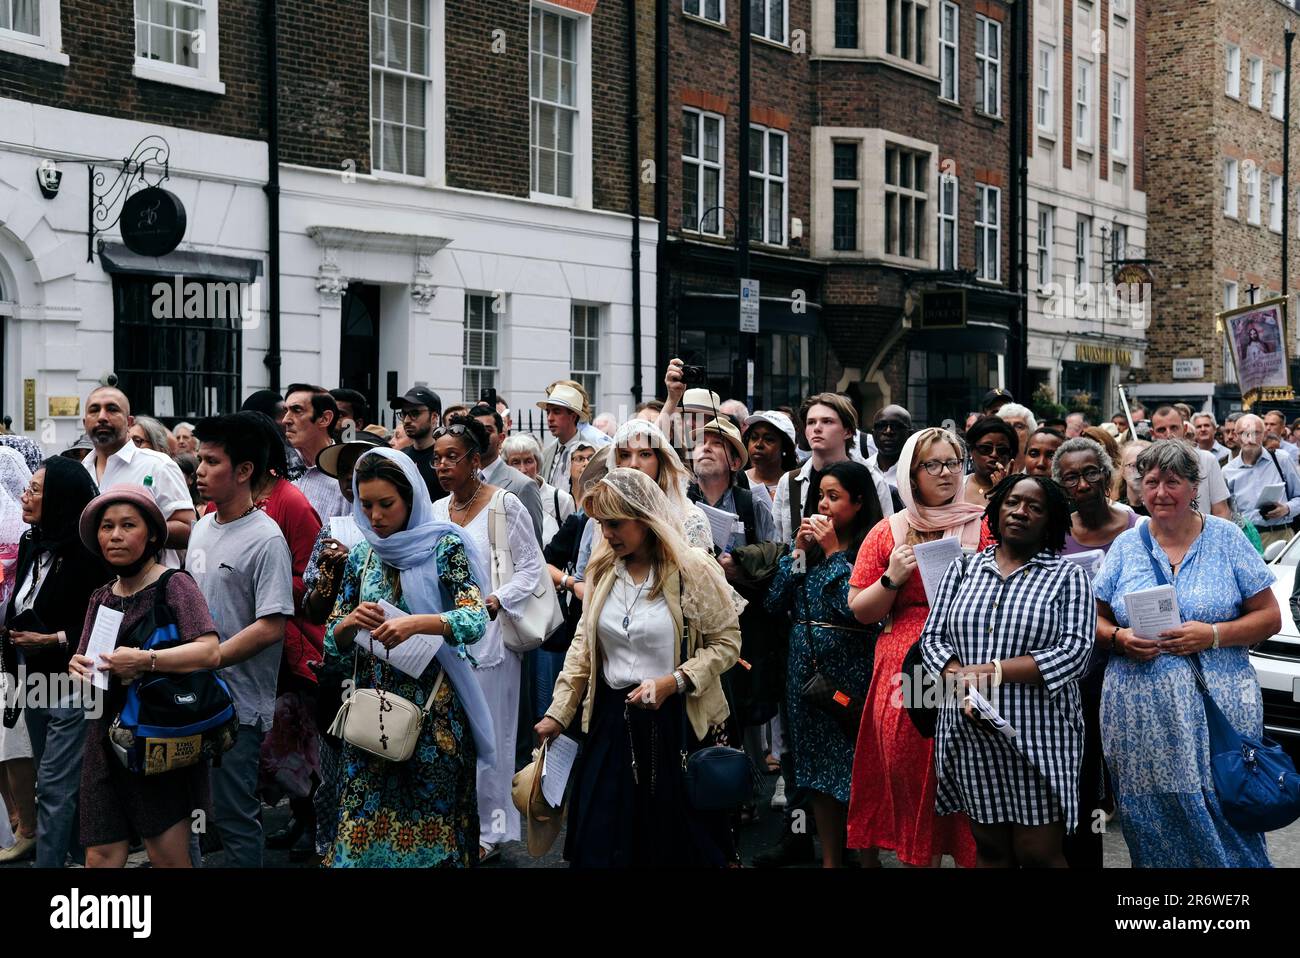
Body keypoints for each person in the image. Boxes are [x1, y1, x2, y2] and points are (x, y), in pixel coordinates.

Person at [535, 468, 744, 867]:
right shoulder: (601, 569)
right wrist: (558, 714)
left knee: (672, 844)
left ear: (644, 520)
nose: (607, 535)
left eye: (615, 524)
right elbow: (583, 649)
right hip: (611, 724)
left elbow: (727, 643)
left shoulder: (691, 570)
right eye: (601, 525)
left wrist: (675, 681)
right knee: (604, 841)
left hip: (675, 723)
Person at [1094, 440, 1281, 867]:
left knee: (1225, 809)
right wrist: (1120, 639)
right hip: (1140, 715)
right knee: (1151, 818)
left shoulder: (1226, 537)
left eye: (1172, 482)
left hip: (1218, 709)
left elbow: (1270, 618)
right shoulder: (1127, 545)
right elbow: (1096, 619)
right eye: (1151, 482)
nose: (1160, 492)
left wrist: (1212, 634)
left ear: (1194, 487)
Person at [323, 449, 492, 867]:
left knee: (433, 833)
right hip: (372, 716)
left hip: (434, 717)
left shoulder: (442, 545)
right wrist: (349, 624)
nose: (376, 516)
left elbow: (475, 616)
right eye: (366, 505)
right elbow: (331, 640)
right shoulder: (361, 555)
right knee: (362, 830)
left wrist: (418, 624)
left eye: (387, 504)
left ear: (411, 500)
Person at [921, 474, 1094, 867]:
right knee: (990, 849)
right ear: (996, 510)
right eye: (1013, 502)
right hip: (969, 729)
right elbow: (931, 639)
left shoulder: (1069, 577)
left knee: (1039, 852)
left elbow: (1075, 652)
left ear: (1050, 521)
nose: (1020, 512)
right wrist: (962, 686)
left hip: (1038, 732)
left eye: (1035, 507)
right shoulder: (962, 570)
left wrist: (990, 671)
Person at [845, 427, 983, 868]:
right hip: (909, 667)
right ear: (911, 472)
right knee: (910, 767)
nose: (946, 473)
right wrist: (891, 578)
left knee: (965, 772)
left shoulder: (986, 524)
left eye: (953, 463)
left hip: (969, 658)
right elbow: (861, 610)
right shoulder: (889, 532)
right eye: (933, 465)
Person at [68, 488, 221, 868]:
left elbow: (209, 651)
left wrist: (145, 661)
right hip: (105, 739)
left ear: (152, 534)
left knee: (167, 857)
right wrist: (79, 669)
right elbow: (91, 672)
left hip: (161, 738)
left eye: (127, 525)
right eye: (107, 527)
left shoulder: (175, 585)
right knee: (100, 856)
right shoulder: (101, 597)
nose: (114, 535)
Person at [432, 416, 546, 862]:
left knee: (491, 737)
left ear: (475, 461)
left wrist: (498, 599)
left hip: (491, 642)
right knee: (449, 735)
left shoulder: (504, 504)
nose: (441, 466)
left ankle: (491, 831)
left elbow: (532, 568)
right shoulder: (437, 510)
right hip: (445, 638)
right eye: (437, 458)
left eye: (451, 457)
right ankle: (453, 821)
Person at [212, 411, 324, 860]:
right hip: (236, 645)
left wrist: (264, 582)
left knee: (296, 749)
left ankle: (314, 824)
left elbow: (314, 579)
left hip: (286, 645)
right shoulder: (218, 507)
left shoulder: (291, 503)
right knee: (262, 758)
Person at [190, 414, 295, 867]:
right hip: (190, 696)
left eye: (212, 461)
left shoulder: (267, 538)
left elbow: (272, 625)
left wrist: (211, 657)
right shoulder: (202, 525)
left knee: (233, 814)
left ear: (245, 470)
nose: (199, 470)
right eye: (199, 459)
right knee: (190, 812)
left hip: (237, 707)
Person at [765, 462, 882, 867]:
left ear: (859, 501)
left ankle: (867, 860)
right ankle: (830, 860)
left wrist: (833, 553)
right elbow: (775, 601)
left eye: (834, 497)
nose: (824, 506)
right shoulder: (808, 554)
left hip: (852, 673)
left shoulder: (869, 548)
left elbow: (854, 611)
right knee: (815, 774)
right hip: (805, 673)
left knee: (857, 774)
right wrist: (799, 551)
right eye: (821, 496)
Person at [2, 456, 106, 867]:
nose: (24, 497)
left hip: (74, 683)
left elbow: (102, 618)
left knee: (55, 787)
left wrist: (55, 638)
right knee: (59, 781)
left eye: (35, 490)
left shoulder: (91, 550)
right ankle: (80, 858)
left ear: (61, 497)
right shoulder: (33, 541)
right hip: (31, 679)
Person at [1052, 437, 1138, 868]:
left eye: (1090, 473)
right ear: (1060, 485)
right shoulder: (1053, 533)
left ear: (1107, 476)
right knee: (1082, 782)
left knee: (1133, 776)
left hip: (1130, 664)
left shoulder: (1136, 528)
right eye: (1070, 477)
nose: (1082, 483)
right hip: (1075, 675)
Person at [81, 386, 195, 566]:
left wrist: (141, 530)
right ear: (84, 422)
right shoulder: (80, 471)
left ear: (129, 422)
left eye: (112, 409)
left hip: (148, 588)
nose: (102, 417)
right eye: (94, 410)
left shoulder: (158, 465)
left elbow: (188, 529)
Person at [773, 393, 893, 545]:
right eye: (810, 422)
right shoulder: (790, 482)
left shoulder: (872, 479)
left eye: (827, 421)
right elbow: (781, 545)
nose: (816, 428)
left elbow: (883, 545)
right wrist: (799, 554)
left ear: (848, 431)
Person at [0, 449, 36, 864]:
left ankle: (26, 822)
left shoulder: (23, 534)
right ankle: (14, 816)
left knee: (14, 737)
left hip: (16, 651)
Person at [608, 419, 714, 552]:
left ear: (660, 460)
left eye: (645, 454)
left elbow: (698, 571)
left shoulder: (689, 518)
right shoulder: (607, 516)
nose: (633, 464)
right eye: (625, 455)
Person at [690, 417, 776, 549]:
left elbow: (772, 556)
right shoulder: (677, 501)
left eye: (717, 443)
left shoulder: (753, 505)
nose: (706, 448)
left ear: (734, 463)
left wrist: (741, 562)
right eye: (701, 443)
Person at [469, 402, 544, 543]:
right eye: (474, 431)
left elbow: (533, 549)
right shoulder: (463, 480)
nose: (480, 436)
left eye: (487, 430)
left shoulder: (523, 485)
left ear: (501, 438)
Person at [1223, 413, 1300, 548]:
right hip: (1246, 539)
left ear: (1264, 435)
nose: (1250, 438)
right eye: (1243, 433)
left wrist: (1287, 509)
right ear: (1236, 436)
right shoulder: (1227, 471)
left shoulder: (1282, 460)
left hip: (1282, 535)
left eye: (1256, 433)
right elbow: (1226, 512)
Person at [1149, 406, 1233, 519]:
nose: (1169, 435)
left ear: (1184, 429)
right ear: (1153, 434)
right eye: (1161, 430)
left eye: (1174, 428)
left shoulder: (1207, 460)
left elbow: (1221, 511)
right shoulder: (1147, 466)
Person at [284, 384, 349, 521]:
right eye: (286, 411)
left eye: (297, 410)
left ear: (324, 419)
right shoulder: (280, 468)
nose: (286, 420)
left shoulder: (346, 478)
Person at [502, 432, 574, 546]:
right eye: (515, 462)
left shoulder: (561, 500)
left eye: (528, 461)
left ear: (538, 464)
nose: (523, 469)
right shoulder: (501, 499)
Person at [539, 382, 598, 497]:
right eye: (548, 412)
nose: (550, 418)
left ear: (573, 416)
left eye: (556, 412)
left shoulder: (592, 454)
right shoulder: (547, 453)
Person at [389, 385, 445, 503]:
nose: (407, 420)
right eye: (404, 414)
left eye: (415, 413)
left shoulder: (445, 458)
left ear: (434, 417)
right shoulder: (400, 458)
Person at [741, 410, 798, 502]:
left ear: (785, 447)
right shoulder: (736, 481)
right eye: (754, 438)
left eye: (769, 439)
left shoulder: (794, 486)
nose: (758, 444)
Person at [962, 416, 1018, 506]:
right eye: (985, 449)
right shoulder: (956, 486)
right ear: (971, 451)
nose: (994, 455)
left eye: (1002, 450)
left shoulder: (1017, 492)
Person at [867, 405, 912, 509]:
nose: (888, 431)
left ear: (909, 434)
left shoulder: (917, 472)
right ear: (873, 433)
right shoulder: (863, 468)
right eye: (881, 426)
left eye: (896, 426)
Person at [995, 403, 1038, 471]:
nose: (1012, 430)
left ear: (1030, 434)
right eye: (1006, 425)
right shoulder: (989, 469)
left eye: (1019, 426)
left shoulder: (1036, 469)